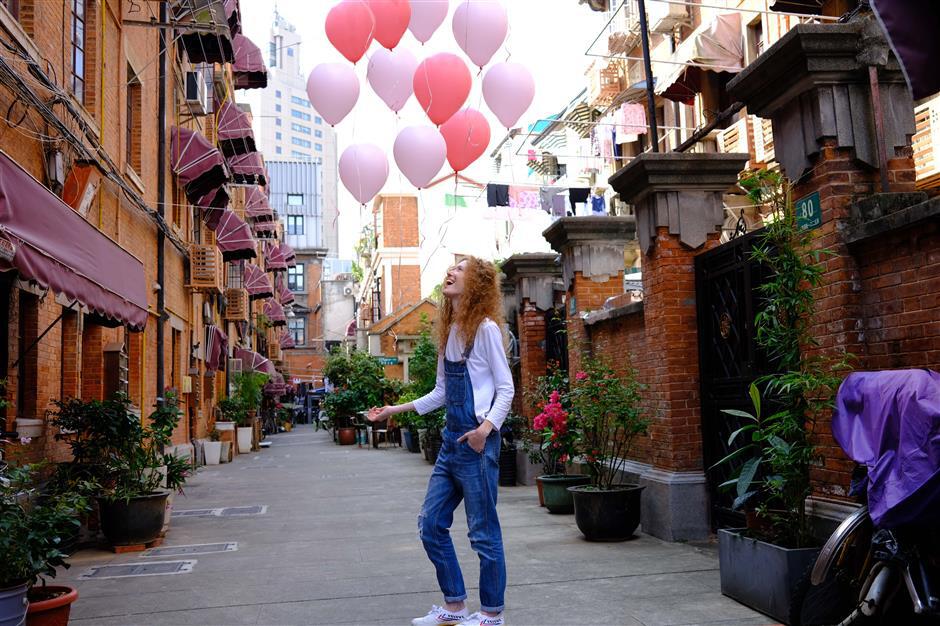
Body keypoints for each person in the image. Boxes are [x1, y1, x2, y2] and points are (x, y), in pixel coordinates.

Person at [369, 257, 514, 626]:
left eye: (460, 269)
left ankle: (492, 614)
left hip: (476, 443)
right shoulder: (450, 333)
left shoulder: (486, 329)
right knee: (431, 525)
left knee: (483, 534)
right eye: (452, 268)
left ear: (477, 283)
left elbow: (506, 388)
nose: (451, 272)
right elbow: (441, 393)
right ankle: (455, 606)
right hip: (450, 443)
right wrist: (394, 410)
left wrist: (485, 430)